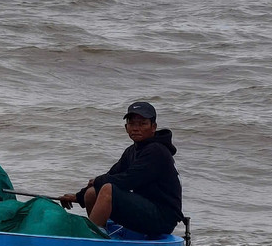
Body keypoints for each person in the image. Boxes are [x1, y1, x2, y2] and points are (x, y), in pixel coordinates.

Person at [61, 101, 183, 237]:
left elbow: (128, 180)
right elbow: (113, 174)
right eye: (132, 124)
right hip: (146, 209)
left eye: (142, 124)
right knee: (91, 193)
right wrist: (79, 196)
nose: (136, 128)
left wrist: (98, 181)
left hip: (163, 218)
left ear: (153, 127)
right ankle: (101, 232)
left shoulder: (156, 151)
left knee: (107, 188)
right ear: (126, 127)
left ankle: (92, 238)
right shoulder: (132, 151)